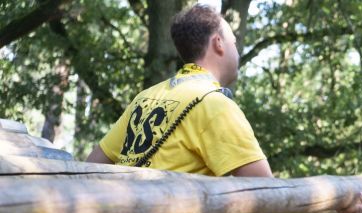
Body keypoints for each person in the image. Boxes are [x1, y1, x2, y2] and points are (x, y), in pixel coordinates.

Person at [86, 4, 272, 178]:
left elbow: (91, 167)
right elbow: (268, 193)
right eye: (234, 41)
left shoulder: (144, 98)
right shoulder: (215, 105)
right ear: (218, 43)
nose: (238, 51)